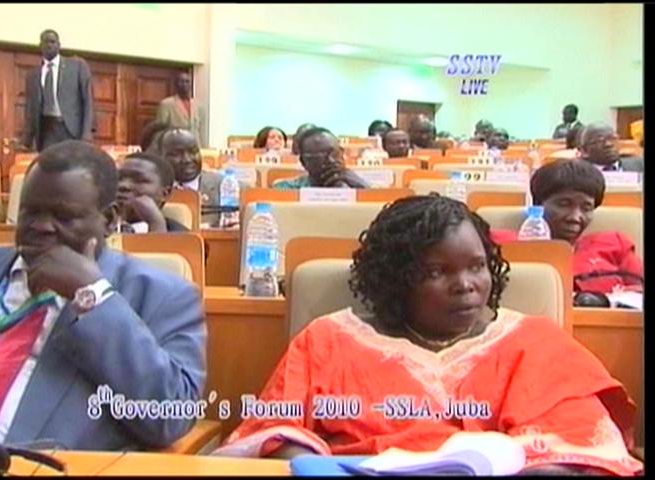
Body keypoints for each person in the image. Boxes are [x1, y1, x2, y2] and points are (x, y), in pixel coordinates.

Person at [212, 194, 642, 475]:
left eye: (477, 266)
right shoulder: (327, 339)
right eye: (438, 272)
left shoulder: (536, 342)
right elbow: (273, 434)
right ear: (395, 279)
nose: (466, 285)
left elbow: (579, 447)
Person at [0, 140, 206, 450]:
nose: (42, 227)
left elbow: (170, 415)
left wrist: (93, 295)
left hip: (29, 463)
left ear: (108, 220)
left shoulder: (161, 296)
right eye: (30, 213)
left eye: (64, 216)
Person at [491, 159, 642, 296]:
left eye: (586, 208)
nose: (575, 217)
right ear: (538, 204)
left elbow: (639, 291)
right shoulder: (500, 244)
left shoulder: (615, 245)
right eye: (564, 204)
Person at [22, 30, 94, 152]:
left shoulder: (77, 67)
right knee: (50, 162)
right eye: (46, 42)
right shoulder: (33, 75)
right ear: (40, 46)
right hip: (48, 131)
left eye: (52, 42)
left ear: (59, 45)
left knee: (71, 163)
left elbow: (88, 101)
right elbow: (30, 110)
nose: (49, 45)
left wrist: (86, 134)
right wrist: (26, 140)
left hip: (71, 130)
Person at [151, 128, 230, 227]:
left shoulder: (226, 186)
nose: (187, 160)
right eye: (176, 154)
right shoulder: (151, 191)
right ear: (160, 157)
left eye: (193, 152)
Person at [273, 127, 369, 190]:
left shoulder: (358, 184)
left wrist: (364, 189)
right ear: (303, 162)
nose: (331, 161)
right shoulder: (286, 190)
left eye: (335, 154)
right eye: (320, 157)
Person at [116, 152, 188, 233]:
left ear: (165, 193)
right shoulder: (104, 227)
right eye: (118, 178)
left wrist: (156, 223)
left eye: (139, 180)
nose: (123, 185)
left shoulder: (182, 235)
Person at [156, 71, 203, 145]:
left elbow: (199, 129)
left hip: (193, 146)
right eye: (181, 82)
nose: (184, 84)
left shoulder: (197, 105)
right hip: (175, 146)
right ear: (176, 85)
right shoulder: (167, 104)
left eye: (187, 81)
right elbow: (159, 130)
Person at [578, 123, 643, 172]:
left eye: (613, 139)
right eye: (600, 141)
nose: (609, 144)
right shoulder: (576, 174)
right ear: (584, 151)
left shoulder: (640, 165)